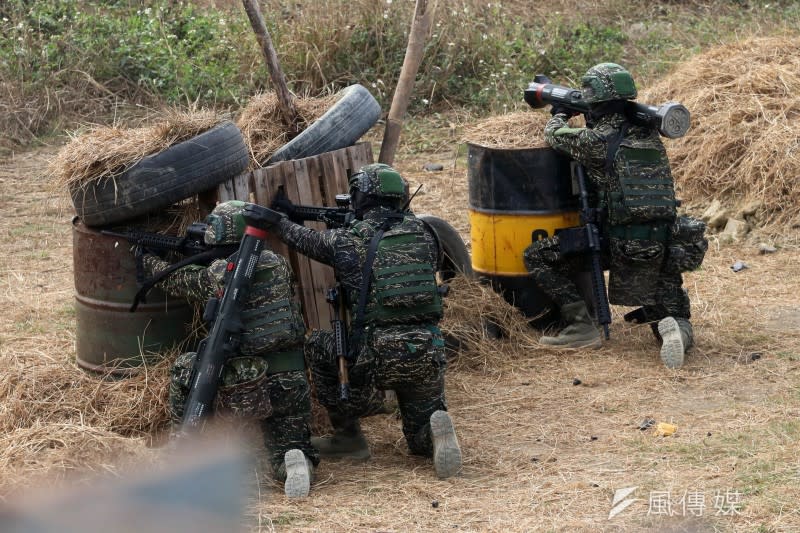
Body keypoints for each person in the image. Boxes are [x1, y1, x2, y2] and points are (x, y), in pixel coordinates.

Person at [264, 163, 462, 479]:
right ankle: (434, 433)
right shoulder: (427, 235)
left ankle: (348, 436)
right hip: (427, 350)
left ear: (361, 197)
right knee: (418, 437)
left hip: (375, 357)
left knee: (317, 344)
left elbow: (302, 239)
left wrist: (275, 221)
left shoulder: (347, 241)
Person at [522, 62, 707, 369]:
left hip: (617, 245)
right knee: (671, 311)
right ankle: (678, 330)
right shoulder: (649, 135)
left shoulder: (597, 141)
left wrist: (561, 112)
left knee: (538, 255)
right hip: (662, 245)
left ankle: (581, 326)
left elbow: (554, 135)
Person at [140, 200, 319, 498]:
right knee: (290, 446)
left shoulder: (222, 272)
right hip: (291, 378)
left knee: (187, 365)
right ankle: (294, 461)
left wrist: (149, 261)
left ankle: (181, 444)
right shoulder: (277, 263)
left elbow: (179, 279)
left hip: (246, 384)